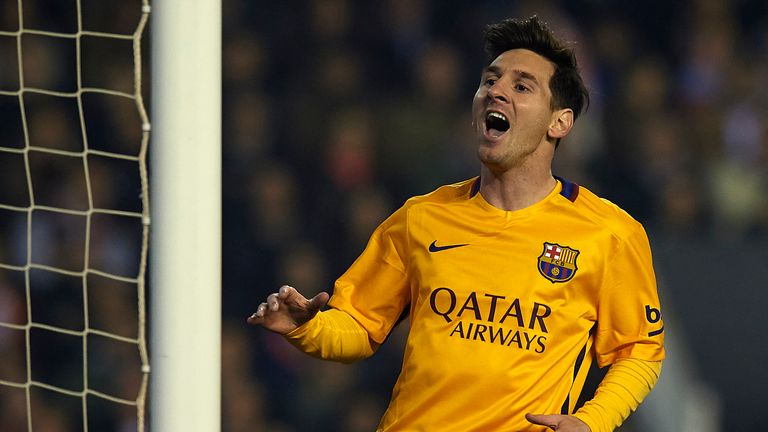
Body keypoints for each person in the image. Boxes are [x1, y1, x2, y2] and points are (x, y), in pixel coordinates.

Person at [248, 16, 665, 432]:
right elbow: (359, 326)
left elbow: (640, 351)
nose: (496, 91)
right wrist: (308, 327)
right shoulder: (421, 217)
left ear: (560, 122)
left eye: (521, 86)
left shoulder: (608, 233)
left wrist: (592, 422)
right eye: (490, 81)